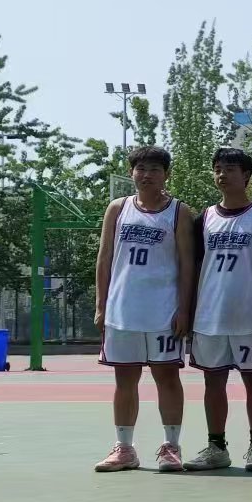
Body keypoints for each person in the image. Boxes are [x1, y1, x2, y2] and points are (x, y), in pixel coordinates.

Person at [93, 145, 195, 472]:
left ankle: (171, 447)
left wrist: (184, 309)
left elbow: (187, 264)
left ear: (166, 175)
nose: (147, 175)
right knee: (125, 379)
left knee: (167, 377)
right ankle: (125, 448)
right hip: (122, 310)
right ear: (132, 173)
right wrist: (100, 305)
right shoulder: (118, 208)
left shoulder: (179, 212)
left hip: (163, 311)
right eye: (141, 169)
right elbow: (104, 259)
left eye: (154, 169)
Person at [185, 147, 252, 472]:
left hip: (251, 315)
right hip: (210, 316)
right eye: (218, 169)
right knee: (213, 382)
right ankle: (216, 447)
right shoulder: (204, 219)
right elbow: (195, 267)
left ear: (246, 175)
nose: (222, 174)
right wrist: (189, 310)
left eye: (229, 169)